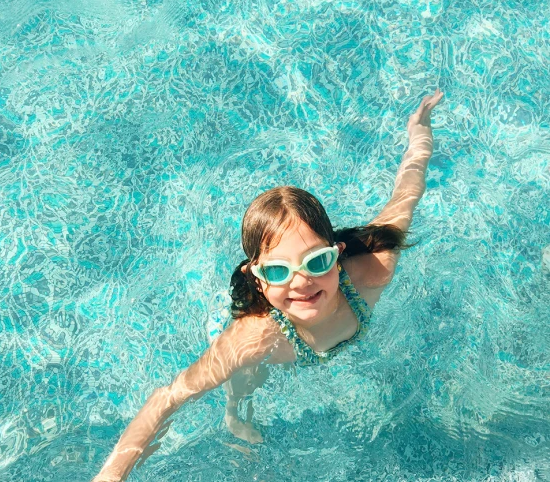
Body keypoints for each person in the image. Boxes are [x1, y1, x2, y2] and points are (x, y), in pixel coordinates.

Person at [93, 89, 445, 481]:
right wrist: (110, 476)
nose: (302, 281)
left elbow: (407, 191)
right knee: (242, 385)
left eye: (317, 261)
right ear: (257, 278)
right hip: (262, 346)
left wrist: (419, 133)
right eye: (278, 272)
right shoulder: (257, 336)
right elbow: (168, 398)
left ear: (338, 253)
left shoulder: (372, 270)